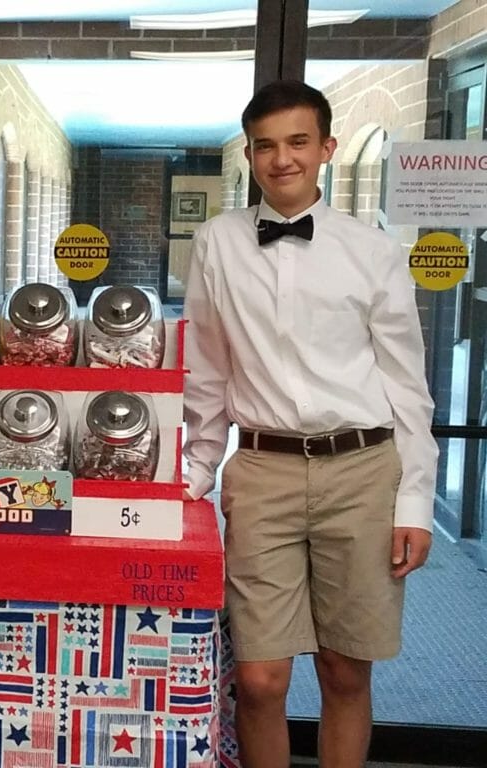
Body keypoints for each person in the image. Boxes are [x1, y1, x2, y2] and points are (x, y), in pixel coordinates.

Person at [182, 80, 437, 768]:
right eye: (265, 146)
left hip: (363, 472)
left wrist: (415, 499)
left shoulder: (372, 250)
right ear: (250, 156)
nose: (281, 159)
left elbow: (407, 385)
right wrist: (194, 473)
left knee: (345, 671)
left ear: (325, 148)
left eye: (297, 142)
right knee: (261, 679)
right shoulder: (216, 243)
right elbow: (205, 368)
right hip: (262, 471)